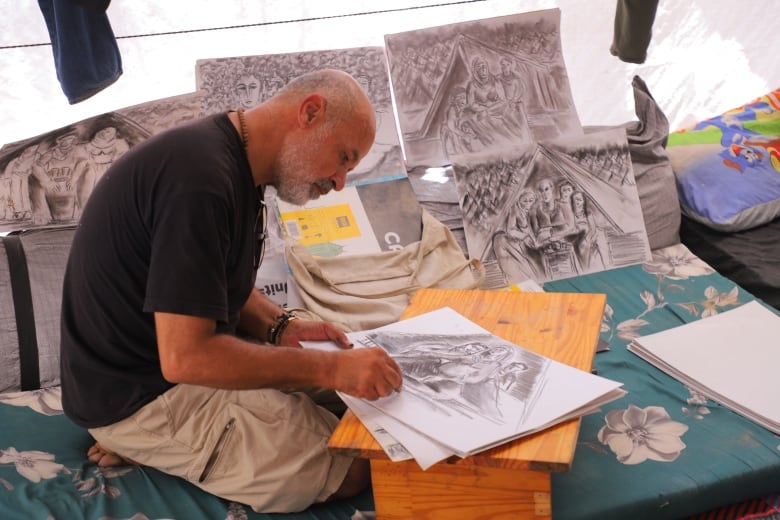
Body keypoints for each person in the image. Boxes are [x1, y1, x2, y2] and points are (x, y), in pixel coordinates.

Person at [59, 69, 404, 514]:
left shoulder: (234, 161)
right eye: (342, 158)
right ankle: (140, 440)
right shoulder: (200, 181)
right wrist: (328, 370)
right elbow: (186, 357)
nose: (339, 182)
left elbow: (210, 286)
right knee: (350, 465)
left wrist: (281, 326)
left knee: (375, 397)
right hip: (140, 395)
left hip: (165, 365)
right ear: (310, 112)